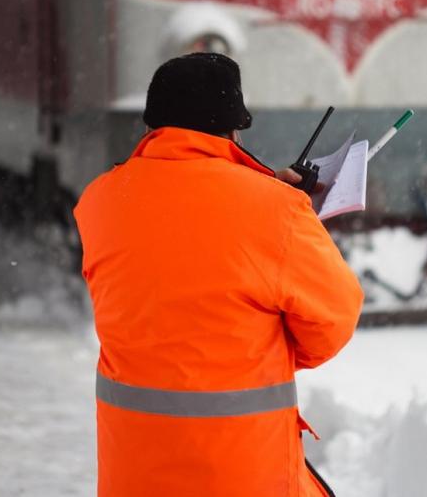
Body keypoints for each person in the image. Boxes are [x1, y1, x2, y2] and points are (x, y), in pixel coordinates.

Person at [73, 52, 364, 496]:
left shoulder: (100, 202)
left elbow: (173, 257)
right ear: (232, 131)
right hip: (244, 474)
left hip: (135, 474)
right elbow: (335, 319)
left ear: (153, 127)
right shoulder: (277, 212)